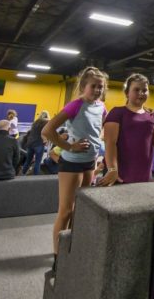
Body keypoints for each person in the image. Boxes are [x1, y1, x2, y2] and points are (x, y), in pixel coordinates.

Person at [42, 66, 108, 268]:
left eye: (101, 87)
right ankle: (58, 258)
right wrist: (69, 145)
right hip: (71, 162)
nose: (97, 90)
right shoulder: (75, 105)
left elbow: (100, 130)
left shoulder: (102, 106)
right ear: (83, 86)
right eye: (93, 86)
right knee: (66, 211)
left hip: (89, 163)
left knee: (81, 211)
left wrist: (99, 154)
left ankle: (71, 249)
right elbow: (47, 130)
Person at [99, 74, 154, 186]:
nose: (141, 93)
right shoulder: (116, 112)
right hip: (118, 175)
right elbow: (110, 142)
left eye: (145, 90)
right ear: (127, 93)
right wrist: (112, 169)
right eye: (136, 89)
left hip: (144, 174)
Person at [22, 111, 50, 175]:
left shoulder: (35, 122)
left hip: (30, 143)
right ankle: (35, 177)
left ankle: (22, 174)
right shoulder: (47, 122)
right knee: (38, 162)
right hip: (39, 144)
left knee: (28, 161)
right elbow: (45, 133)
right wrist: (46, 140)